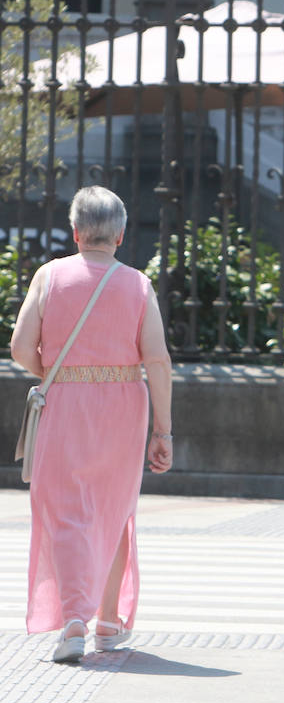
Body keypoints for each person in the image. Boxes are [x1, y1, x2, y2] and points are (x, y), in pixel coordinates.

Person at [9, 185, 173, 664]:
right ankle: (106, 621)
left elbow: (21, 346)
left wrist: (58, 372)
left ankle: (73, 622)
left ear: (76, 232)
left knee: (66, 513)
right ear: (120, 236)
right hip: (123, 408)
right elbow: (157, 360)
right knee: (112, 511)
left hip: (65, 405)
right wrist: (162, 431)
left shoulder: (50, 276)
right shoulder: (138, 285)